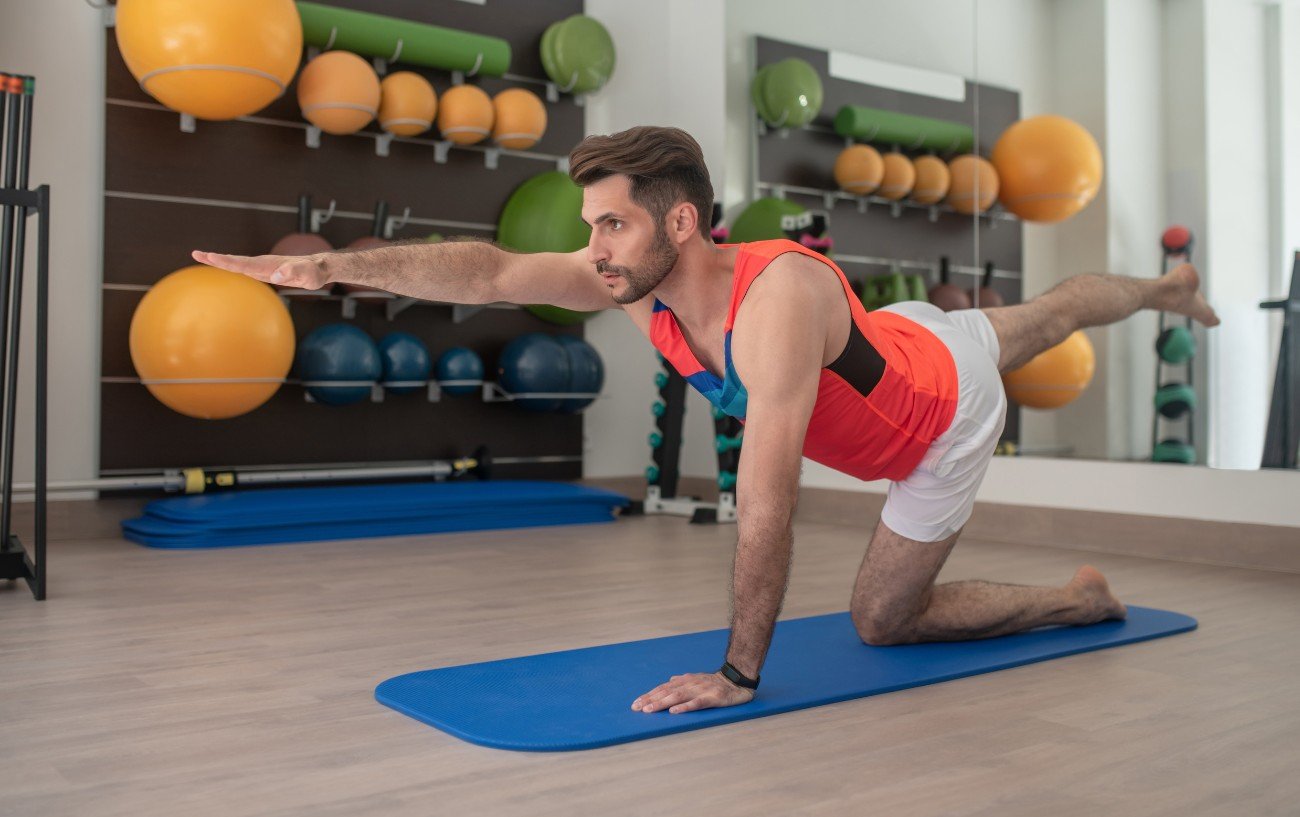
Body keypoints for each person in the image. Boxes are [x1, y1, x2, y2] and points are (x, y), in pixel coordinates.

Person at [193, 126, 1220, 716]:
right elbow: (491, 268)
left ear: (678, 223)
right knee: (1051, 311)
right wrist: (331, 266)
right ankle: (1169, 286)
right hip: (901, 339)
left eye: (611, 223)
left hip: (942, 418)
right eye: (591, 225)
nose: (592, 247)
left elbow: (765, 506)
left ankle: (1078, 598)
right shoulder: (637, 281)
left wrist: (738, 673)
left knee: (880, 621)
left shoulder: (772, 306)